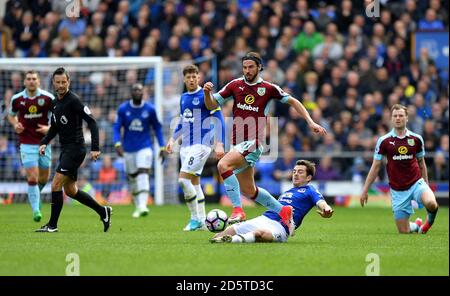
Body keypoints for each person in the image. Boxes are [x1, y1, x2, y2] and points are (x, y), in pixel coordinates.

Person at [203, 51, 327, 235]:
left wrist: (310, 121)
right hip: (238, 143)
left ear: (259, 67)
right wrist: (207, 93)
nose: (247, 70)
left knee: (223, 164)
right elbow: (212, 105)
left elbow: (293, 101)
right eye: (245, 67)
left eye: (251, 67)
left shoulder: (268, 88)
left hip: (253, 142)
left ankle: (238, 211)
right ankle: (284, 211)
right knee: (249, 190)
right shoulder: (235, 85)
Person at [36, 67, 112, 233]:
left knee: (55, 184)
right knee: (70, 191)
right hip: (66, 150)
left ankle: (52, 225)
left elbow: (92, 122)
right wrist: (44, 142)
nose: (61, 85)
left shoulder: (74, 100)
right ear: (53, 83)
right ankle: (103, 211)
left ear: (68, 82)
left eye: (64, 82)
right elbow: (54, 127)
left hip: (76, 149)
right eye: (58, 82)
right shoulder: (55, 103)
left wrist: (95, 147)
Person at [210, 160, 333, 243]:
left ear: (308, 177)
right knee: (218, 236)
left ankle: (233, 240)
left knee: (260, 234)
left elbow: (321, 202)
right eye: (294, 171)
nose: (295, 174)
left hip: (281, 227)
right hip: (264, 218)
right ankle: (227, 237)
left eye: (300, 172)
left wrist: (326, 209)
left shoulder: (310, 190)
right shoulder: (287, 192)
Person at [360, 104, 439, 234]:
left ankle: (427, 224)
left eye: (401, 115)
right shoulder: (384, 141)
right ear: (391, 119)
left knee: (431, 203)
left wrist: (426, 184)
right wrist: (365, 189)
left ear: (406, 118)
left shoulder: (416, 139)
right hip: (398, 190)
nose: (398, 118)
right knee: (404, 231)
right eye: (395, 116)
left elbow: (421, 163)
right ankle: (416, 225)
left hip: (416, 183)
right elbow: (375, 167)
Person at [165, 64, 225, 231]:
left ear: (199, 77)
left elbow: (219, 119)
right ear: (184, 80)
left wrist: (220, 143)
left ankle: (195, 219)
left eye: (194, 77)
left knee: (183, 180)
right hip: (186, 146)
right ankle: (204, 221)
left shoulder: (206, 95)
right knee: (195, 183)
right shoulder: (183, 97)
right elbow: (183, 122)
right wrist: (172, 139)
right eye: (188, 77)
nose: (191, 79)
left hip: (202, 144)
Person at [7, 70, 54, 222]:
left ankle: (35, 196)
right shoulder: (17, 99)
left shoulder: (48, 98)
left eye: (34, 79)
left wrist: (50, 129)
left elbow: (58, 117)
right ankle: (36, 210)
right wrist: (15, 124)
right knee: (32, 177)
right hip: (26, 143)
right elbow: (11, 114)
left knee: (44, 177)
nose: (32, 81)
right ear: (25, 82)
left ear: (39, 81)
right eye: (29, 79)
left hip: (44, 143)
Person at [113, 83, 165, 218]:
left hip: (145, 147)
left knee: (143, 173)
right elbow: (116, 128)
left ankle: (143, 205)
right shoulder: (123, 109)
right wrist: (117, 143)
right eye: (135, 90)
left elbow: (157, 129)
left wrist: (162, 146)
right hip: (128, 149)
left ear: (143, 93)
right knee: (132, 179)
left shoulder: (150, 109)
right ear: (131, 92)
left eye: (140, 90)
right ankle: (138, 206)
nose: (137, 92)